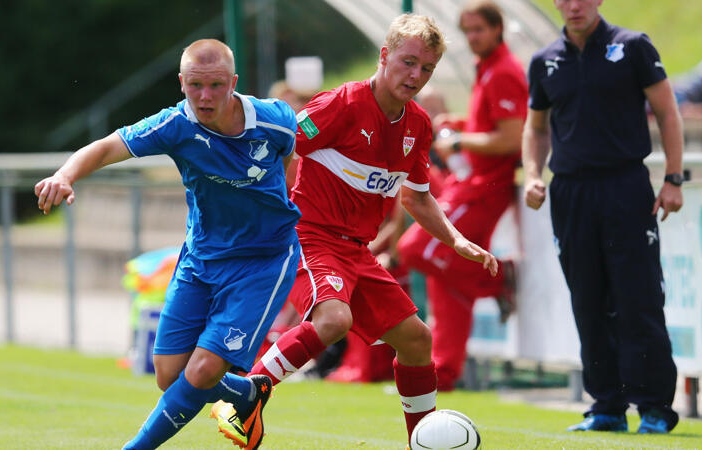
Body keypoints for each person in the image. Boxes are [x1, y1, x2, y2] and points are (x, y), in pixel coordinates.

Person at [212, 14, 498, 447]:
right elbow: (277, 146)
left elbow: (417, 197)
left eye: (426, 68)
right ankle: (243, 395)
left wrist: (456, 239)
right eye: (408, 62)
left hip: (356, 251)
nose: (415, 75)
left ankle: (421, 440)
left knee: (418, 340)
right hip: (308, 236)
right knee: (334, 318)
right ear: (384, 56)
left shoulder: (417, 126)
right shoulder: (341, 104)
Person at [34, 39, 301, 449]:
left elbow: (290, 157)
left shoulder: (275, 119)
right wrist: (65, 175)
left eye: (215, 85)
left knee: (202, 369)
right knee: (168, 374)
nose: (205, 96)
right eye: (195, 85)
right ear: (181, 83)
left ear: (233, 82)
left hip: (261, 262)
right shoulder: (175, 125)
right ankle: (247, 394)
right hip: (201, 260)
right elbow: (108, 146)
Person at [522, 0, 684, 434]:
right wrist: (533, 176)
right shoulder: (544, 60)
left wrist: (674, 178)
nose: (574, 6)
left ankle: (654, 407)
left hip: (625, 186)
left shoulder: (632, 47)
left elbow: (668, 111)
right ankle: (606, 406)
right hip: (570, 192)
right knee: (587, 301)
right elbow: (536, 127)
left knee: (638, 298)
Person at [396, 0, 527, 392]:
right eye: (467, 31)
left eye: (479, 30)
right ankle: (443, 372)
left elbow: (512, 136)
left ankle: (498, 277)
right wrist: (463, 123)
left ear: (497, 29)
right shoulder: (488, 68)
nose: (472, 38)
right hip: (471, 181)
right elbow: (494, 123)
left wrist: (459, 137)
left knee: (417, 249)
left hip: (486, 186)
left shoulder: (503, 70)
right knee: (445, 276)